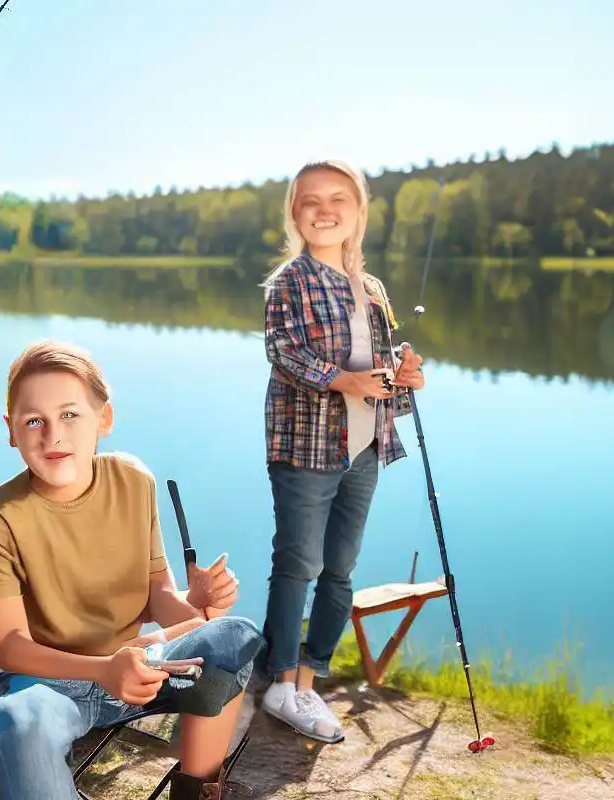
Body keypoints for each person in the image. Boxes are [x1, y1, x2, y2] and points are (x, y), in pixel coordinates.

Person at [0, 340, 261, 800]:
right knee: (18, 721)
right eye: (33, 421)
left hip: (138, 665)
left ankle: (197, 790)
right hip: (47, 683)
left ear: (103, 418)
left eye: (69, 415)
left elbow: (157, 594)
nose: (53, 435)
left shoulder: (133, 480)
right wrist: (103, 669)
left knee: (234, 634)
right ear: (11, 430)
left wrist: (196, 604)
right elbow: (6, 647)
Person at [256, 160, 426, 743]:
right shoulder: (290, 280)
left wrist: (404, 375)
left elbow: (378, 367)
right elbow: (282, 351)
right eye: (310, 200)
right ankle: (279, 682)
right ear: (294, 213)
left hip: (364, 448)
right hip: (305, 448)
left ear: (358, 213)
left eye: (338, 199)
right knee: (297, 564)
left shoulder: (371, 288)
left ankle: (307, 677)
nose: (324, 209)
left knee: (340, 570)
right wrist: (344, 380)